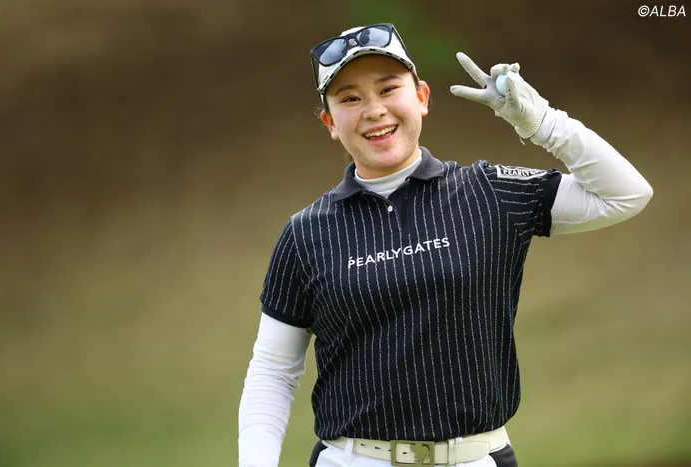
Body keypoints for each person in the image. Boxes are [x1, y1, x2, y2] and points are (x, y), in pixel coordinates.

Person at [238, 23, 653, 467]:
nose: (374, 110)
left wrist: (542, 123)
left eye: (388, 89)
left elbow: (626, 194)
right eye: (350, 99)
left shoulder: (488, 192)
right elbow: (273, 373)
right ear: (330, 123)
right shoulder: (306, 234)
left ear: (422, 97)